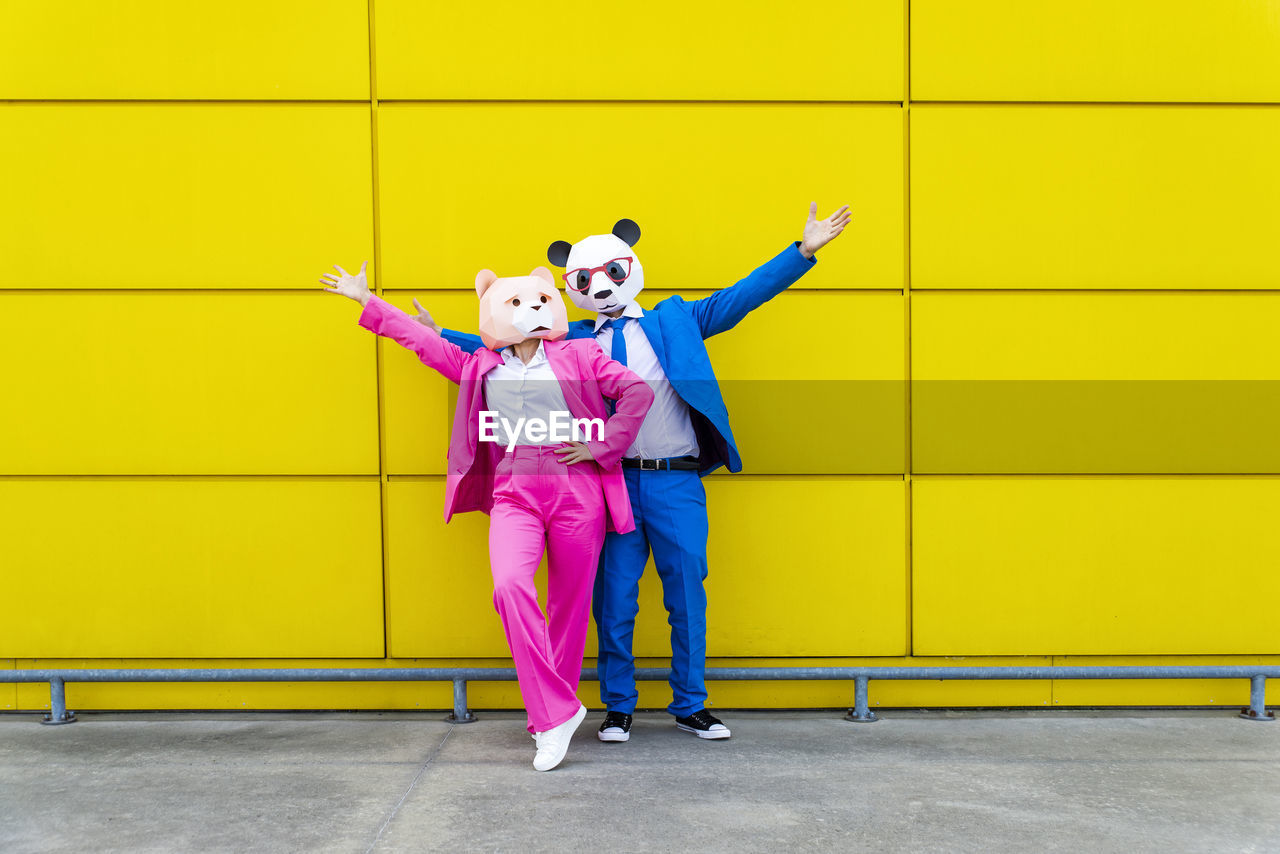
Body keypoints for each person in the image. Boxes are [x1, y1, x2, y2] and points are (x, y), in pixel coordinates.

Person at [418, 203, 850, 742]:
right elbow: (504, 345)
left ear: (631, 265)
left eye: (612, 272)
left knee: (687, 591)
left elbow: (742, 297)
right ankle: (617, 705)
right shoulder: (567, 339)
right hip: (610, 482)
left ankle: (691, 703)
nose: (601, 286)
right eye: (585, 279)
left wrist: (802, 251)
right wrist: (443, 337)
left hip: (676, 479)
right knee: (614, 598)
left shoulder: (677, 321)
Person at [321, 261, 654, 770]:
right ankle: (557, 712)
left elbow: (637, 391)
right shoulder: (482, 364)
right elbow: (427, 345)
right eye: (515, 304)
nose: (530, 312)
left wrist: (603, 447)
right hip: (515, 485)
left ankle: (551, 723)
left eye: (537, 301)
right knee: (510, 587)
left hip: (575, 483)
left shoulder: (581, 352)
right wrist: (368, 300)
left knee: (568, 609)